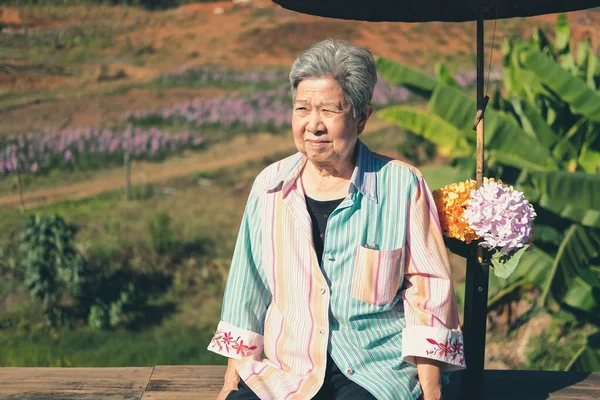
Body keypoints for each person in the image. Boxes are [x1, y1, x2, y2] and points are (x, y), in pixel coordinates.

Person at [209, 39, 465, 400]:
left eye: (329, 110)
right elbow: (246, 286)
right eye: (302, 109)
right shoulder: (270, 186)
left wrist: (433, 389)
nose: (313, 125)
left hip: (375, 371)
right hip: (289, 371)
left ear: (362, 116)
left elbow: (428, 292)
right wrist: (231, 379)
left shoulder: (401, 185)